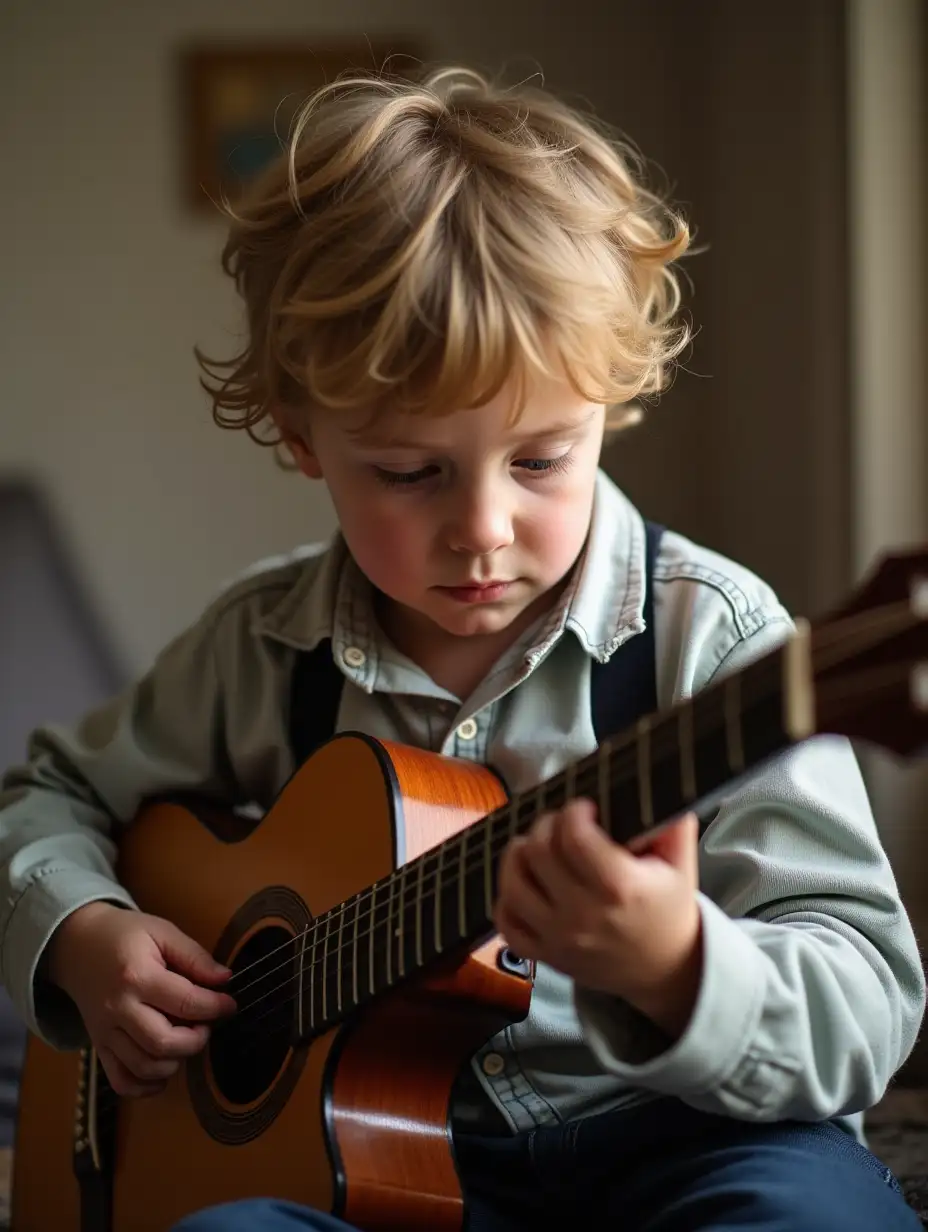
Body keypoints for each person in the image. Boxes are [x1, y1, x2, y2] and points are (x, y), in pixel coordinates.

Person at [0, 65, 923, 1232]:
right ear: (300, 439)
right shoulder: (260, 647)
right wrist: (81, 929)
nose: (482, 527)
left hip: (694, 1136)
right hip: (377, 1171)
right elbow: (43, 796)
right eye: (407, 471)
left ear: (612, 402)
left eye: (541, 458)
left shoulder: (719, 641)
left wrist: (679, 961)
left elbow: (868, 1001)